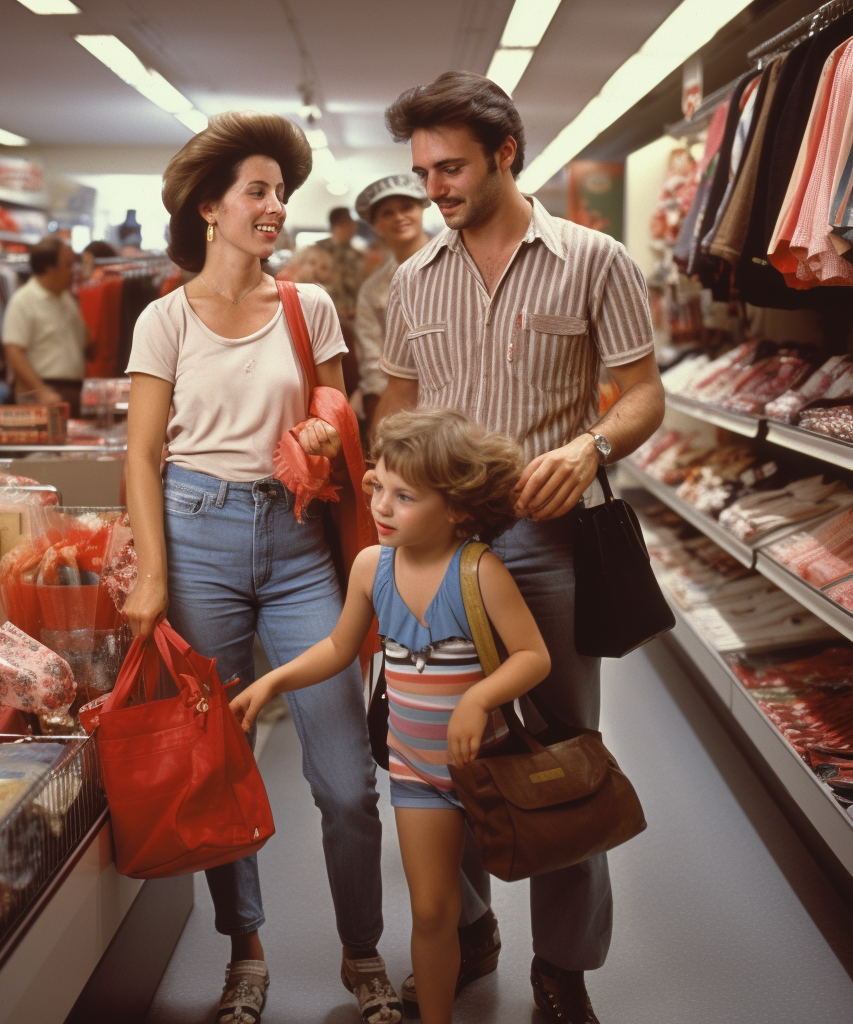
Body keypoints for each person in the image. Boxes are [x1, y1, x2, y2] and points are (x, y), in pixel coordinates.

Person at [373, 71, 665, 1024]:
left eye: (450, 167)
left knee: (558, 750)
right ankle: (465, 928)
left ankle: (565, 968)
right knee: (442, 749)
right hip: (443, 558)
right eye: (422, 172)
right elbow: (400, 412)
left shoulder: (594, 260)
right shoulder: (412, 280)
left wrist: (590, 445)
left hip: (548, 545)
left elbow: (641, 394)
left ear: (505, 153)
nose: (434, 189)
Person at [122, 111, 401, 1024]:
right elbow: (140, 456)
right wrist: (155, 574)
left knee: (345, 775)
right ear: (211, 205)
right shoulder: (164, 319)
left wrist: (325, 425)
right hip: (196, 534)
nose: (275, 206)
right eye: (257, 190)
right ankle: (245, 951)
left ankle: (363, 949)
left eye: (281, 192)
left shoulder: (306, 303)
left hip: (294, 543)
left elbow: (338, 395)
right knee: (217, 763)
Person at [231, 409, 551, 1024]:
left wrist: (478, 698)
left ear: (456, 507)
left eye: (405, 496)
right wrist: (271, 679)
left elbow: (532, 656)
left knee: (534, 864)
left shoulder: (479, 571)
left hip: (488, 770)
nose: (382, 505)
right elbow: (336, 648)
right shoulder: (371, 569)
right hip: (417, 775)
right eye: (378, 486)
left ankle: (556, 963)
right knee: (432, 911)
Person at [353, 173, 431, 425]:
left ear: (421, 210)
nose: (399, 217)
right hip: (402, 405)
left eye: (407, 207)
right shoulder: (372, 290)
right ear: (376, 225)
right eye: (387, 213)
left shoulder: (461, 266)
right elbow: (373, 363)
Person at [2, 236, 90, 416]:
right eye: (68, 265)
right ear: (50, 269)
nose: (73, 271)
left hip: (71, 390)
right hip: (44, 392)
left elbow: (84, 343)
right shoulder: (23, 300)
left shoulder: (66, 298)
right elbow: (13, 350)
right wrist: (41, 390)